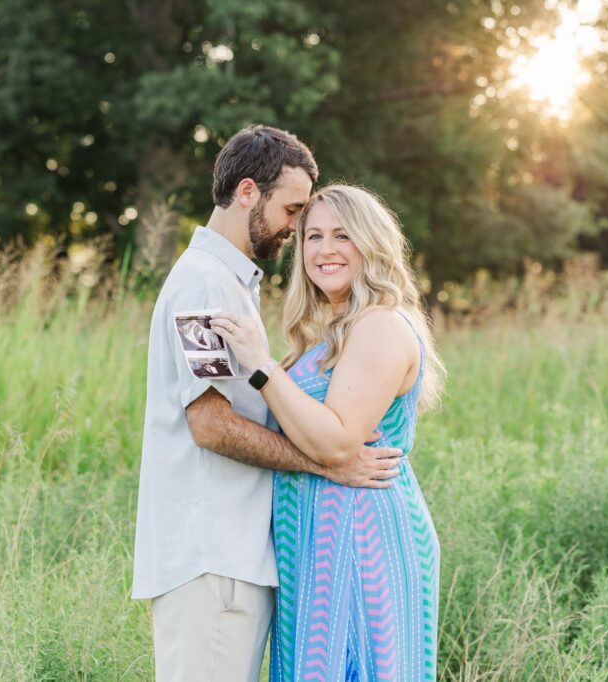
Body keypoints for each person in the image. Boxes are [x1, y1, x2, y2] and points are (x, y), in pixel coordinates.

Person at [131, 127, 403, 682]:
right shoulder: (205, 288)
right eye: (293, 210)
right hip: (213, 558)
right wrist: (327, 462)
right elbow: (209, 424)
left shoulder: (231, 285)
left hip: (234, 558)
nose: (297, 229)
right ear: (249, 192)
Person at [212, 184, 446, 681]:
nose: (324, 249)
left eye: (343, 235)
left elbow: (339, 442)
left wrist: (261, 365)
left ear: (372, 243)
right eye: (313, 236)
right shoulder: (333, 331)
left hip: (362, 539)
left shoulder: (380, 324)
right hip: (316, 540)